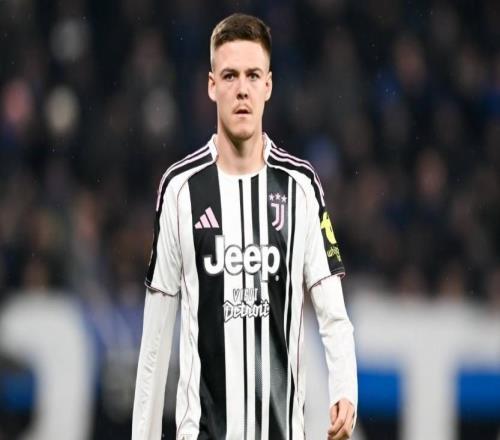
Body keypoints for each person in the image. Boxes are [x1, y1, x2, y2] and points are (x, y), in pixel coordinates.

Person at [132, 13, 357, 440]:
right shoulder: (180, 190)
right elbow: (155, 337)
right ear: (211, 85)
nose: (242, 89)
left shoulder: (300, 187)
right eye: (230, 75)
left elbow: (333, 314)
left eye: (253, 75)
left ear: (268, 86)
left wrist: (345, 390)